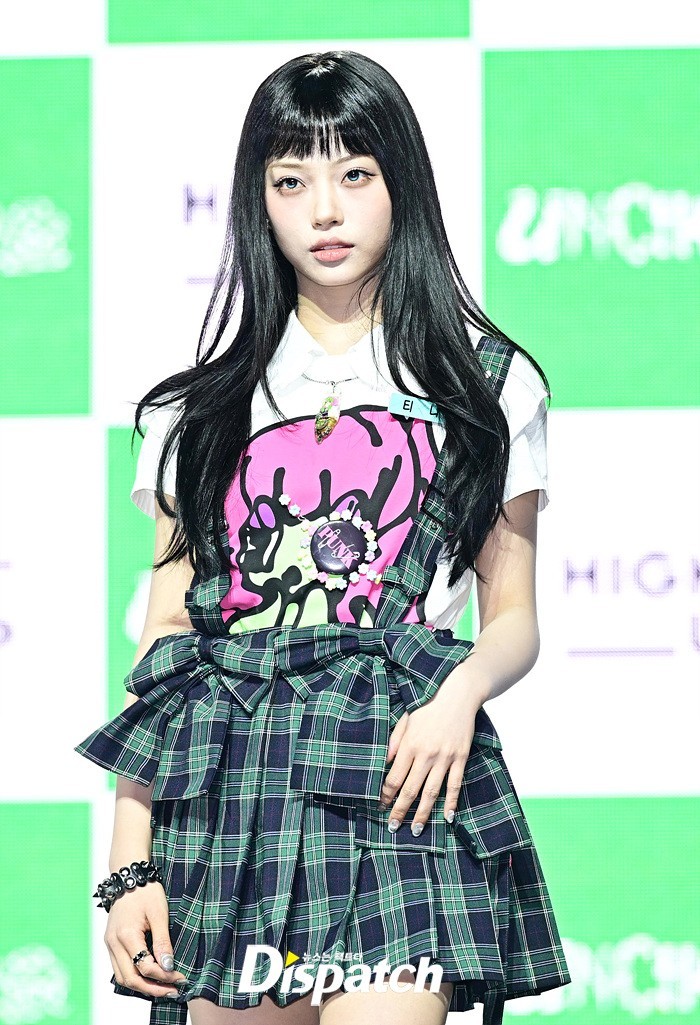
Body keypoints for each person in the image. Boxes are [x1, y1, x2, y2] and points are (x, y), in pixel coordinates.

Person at [76, 50, 571, 1025]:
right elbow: (167, 648)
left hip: (398, 776)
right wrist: (129, 861)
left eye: (355, 173)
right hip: (232, 789)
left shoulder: (484, 385)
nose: (326, 211)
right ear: (257, 200)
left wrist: (458, 693)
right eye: (291, 181)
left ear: (401, 184)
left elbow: (512, 615)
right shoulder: (199, 409)